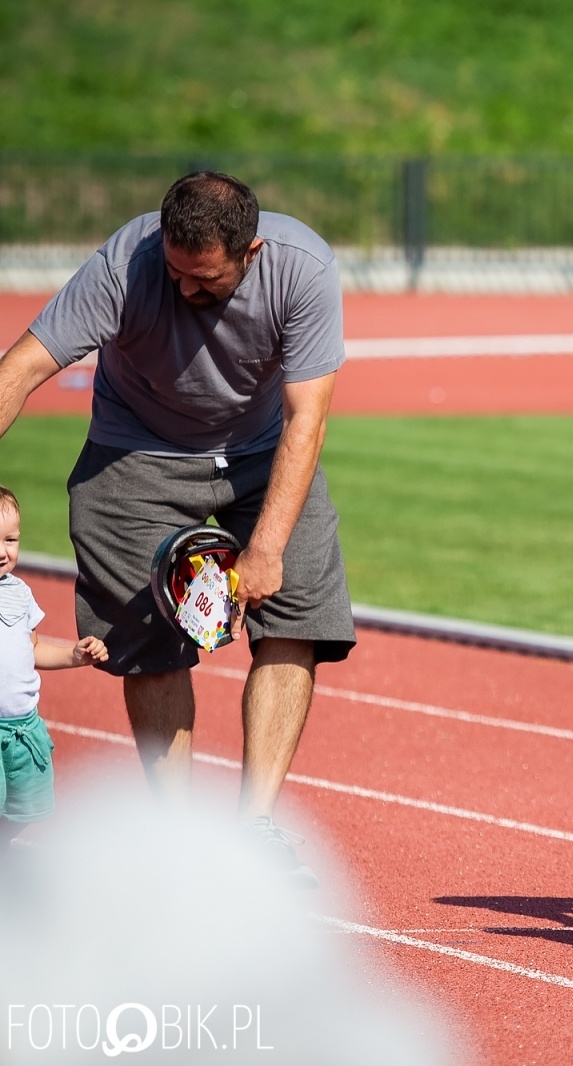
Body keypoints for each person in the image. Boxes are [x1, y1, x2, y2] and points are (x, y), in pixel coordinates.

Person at [0, 172, 355, 885]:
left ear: (250, 251)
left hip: (262, 453)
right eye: (176, 273)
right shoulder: (127, 264)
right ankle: (177, 844)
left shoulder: (303, 269)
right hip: (136, 450)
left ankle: (254, 829)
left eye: (206, 279)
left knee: (297, 618)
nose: (187, 292)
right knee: (148, 644)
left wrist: (266, 552)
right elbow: (22, 367)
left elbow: (307, 418)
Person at [0, 485, 109, 847]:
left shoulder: (20, 592)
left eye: (11, 540)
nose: (4, 552)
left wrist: (75, 656)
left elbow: (32, 650)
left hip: (23, 726)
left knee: (24, 806)